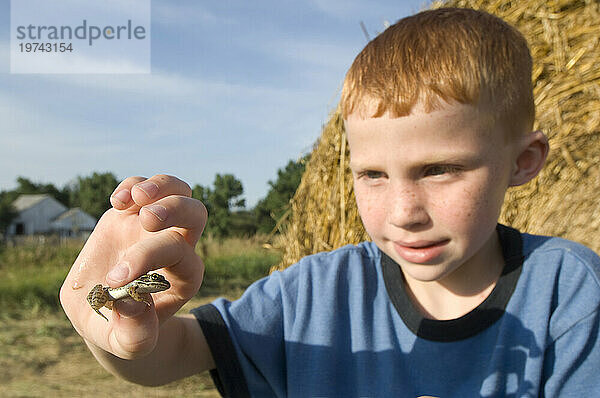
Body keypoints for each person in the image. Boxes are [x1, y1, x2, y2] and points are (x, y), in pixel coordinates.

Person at [60, 7, 600, 397]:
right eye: (372, 175)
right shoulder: (313, 295)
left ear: (524, 162)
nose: (403, 211)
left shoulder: (568, 292)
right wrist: (113, 323)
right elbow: (167, 355)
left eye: (440, 169)